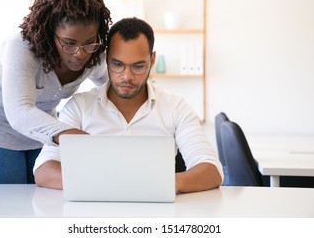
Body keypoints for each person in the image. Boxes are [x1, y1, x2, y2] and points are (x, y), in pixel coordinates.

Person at [34, 17, 223, 193]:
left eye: (138, 66)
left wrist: (162, 184)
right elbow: (43, 170)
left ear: (152, 60)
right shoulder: (80, 107)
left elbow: (211, 171)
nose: (127, 77)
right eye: (117, 65)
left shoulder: (175, 107)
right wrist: (103, 185)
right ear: (106, 60)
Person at [0, 0, 112, 184]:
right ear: (51, 33)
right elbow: (19, 112)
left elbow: (111, 87)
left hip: (39, 129)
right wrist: (77, 137)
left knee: (42, 200)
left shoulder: (93, 54)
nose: (80, 54)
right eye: (69, 43)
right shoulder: (21, 48)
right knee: (6, 204)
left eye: (89, 42)